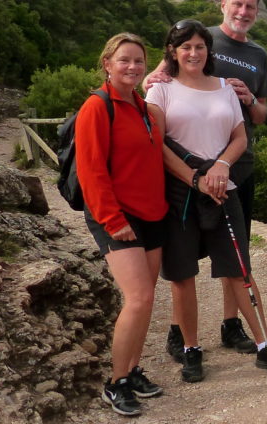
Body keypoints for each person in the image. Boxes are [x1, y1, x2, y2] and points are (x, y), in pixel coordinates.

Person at [146, 19, 267, 382]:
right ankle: (191, 348)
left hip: (222, 187)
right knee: (182, 275)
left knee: (239, 268)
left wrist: (222, 167)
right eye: (185, 47)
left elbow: (240, 136)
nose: (193, 53)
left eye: (199, 46)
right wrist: (195, 178)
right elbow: (158, 145)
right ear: (173, 52)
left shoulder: (226, 87)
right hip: (181, 191)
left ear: (208, 50)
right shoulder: (161, 91)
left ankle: (264, 344)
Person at [77, 33, 168, 417]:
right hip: (116, 217)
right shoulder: (97, 108)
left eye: (138, 61)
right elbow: (91, 171)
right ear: (107, 64)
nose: (132, 67)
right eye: (124, 60)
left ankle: (131, 370)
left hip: (152, 214)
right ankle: (115, 383)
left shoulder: (146, 110)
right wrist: (114, 221)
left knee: (146, 302)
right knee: (139, 298)